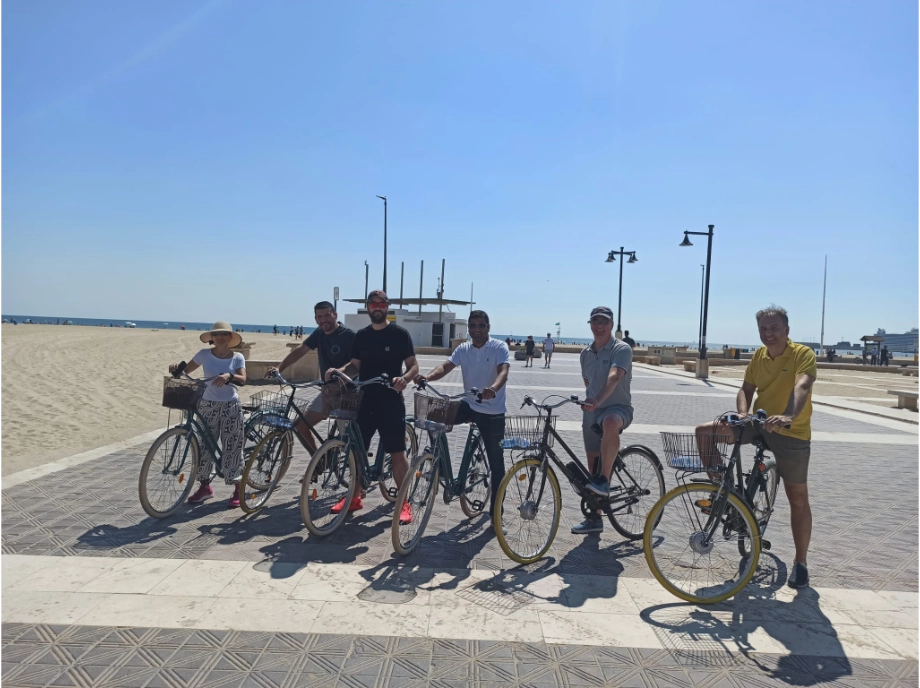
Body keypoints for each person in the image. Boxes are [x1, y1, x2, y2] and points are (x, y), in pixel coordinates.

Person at [695, 306, 816, 589]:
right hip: (758, 422)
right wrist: (742, 414)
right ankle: (724, 493)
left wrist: (788, 415)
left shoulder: (802, 354)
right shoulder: (759, 356)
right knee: (704, 432)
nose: (768, 333)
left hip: (790, 430)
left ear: (787, 330)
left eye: (774, 328)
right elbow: (746, 389)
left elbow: (802, 385)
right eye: (763, 328)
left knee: (798, 497)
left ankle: (800, 562)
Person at [327, 291, 419, 523]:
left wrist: (405, 379)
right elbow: (354, 366)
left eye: (381, 303)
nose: (377, 307)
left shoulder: (400, 334)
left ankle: (404, 502)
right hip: (364, 401)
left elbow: (413, 365)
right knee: (357, 451)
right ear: (368, 307)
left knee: (397, 453)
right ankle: (354, 497)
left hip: (391, 401)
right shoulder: (362, 336)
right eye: (373, 304)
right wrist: (339, 372)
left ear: (387, 306)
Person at [418, 310, 511, 530]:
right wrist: (427, 377)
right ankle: (440, 464)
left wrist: (493, 389)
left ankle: (496, 514)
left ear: (488, 327)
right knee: (434, 415)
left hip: (493, 412)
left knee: (497, 464)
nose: (476, 329)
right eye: (472, 325)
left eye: (481, 325)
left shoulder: (499, 347)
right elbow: (445, 366)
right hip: (469, 404)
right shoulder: (463, 349)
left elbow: (503, 372)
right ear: (468, 328)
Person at [169, 321, 248, 508]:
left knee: (232, 446)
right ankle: (205, 487)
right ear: (211, 337)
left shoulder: (237, 357)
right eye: (216, 334)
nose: (220, 337)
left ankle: (238, 488)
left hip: (230, 406)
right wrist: (175, 370)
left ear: (230, 337)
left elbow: (243, 379)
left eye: (224, 334)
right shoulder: (204, 354)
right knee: (204, 446)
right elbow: (185, 372)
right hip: (207, 405)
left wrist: (229, 376)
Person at [572, 307, 634, 534]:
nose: (599, 326)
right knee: (592, 464)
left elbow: (615, 376)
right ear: (590, 324)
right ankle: (595, 517)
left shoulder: (621, 349)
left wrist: (597, 399)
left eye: (604, 322)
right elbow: (587, 382)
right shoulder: (585, 353)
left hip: (617, 408)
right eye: (595, 321)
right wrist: (591, 401)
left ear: (611, 324)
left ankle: (605, 482)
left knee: (610, 422)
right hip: (592, 411)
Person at [269, 302, 356, 453]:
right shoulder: (319, 333)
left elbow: (356, 364)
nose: (323, 320)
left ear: (335, 315)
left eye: (327, 315)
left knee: (349, 443)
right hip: (328, 392)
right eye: (319, 317)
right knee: (300, 426)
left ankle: (355, 466)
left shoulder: (349, 335)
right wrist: (279, 368)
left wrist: (340, 373)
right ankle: (319, 463)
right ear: (315, 319)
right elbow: (301, 350)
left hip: (348, 393)